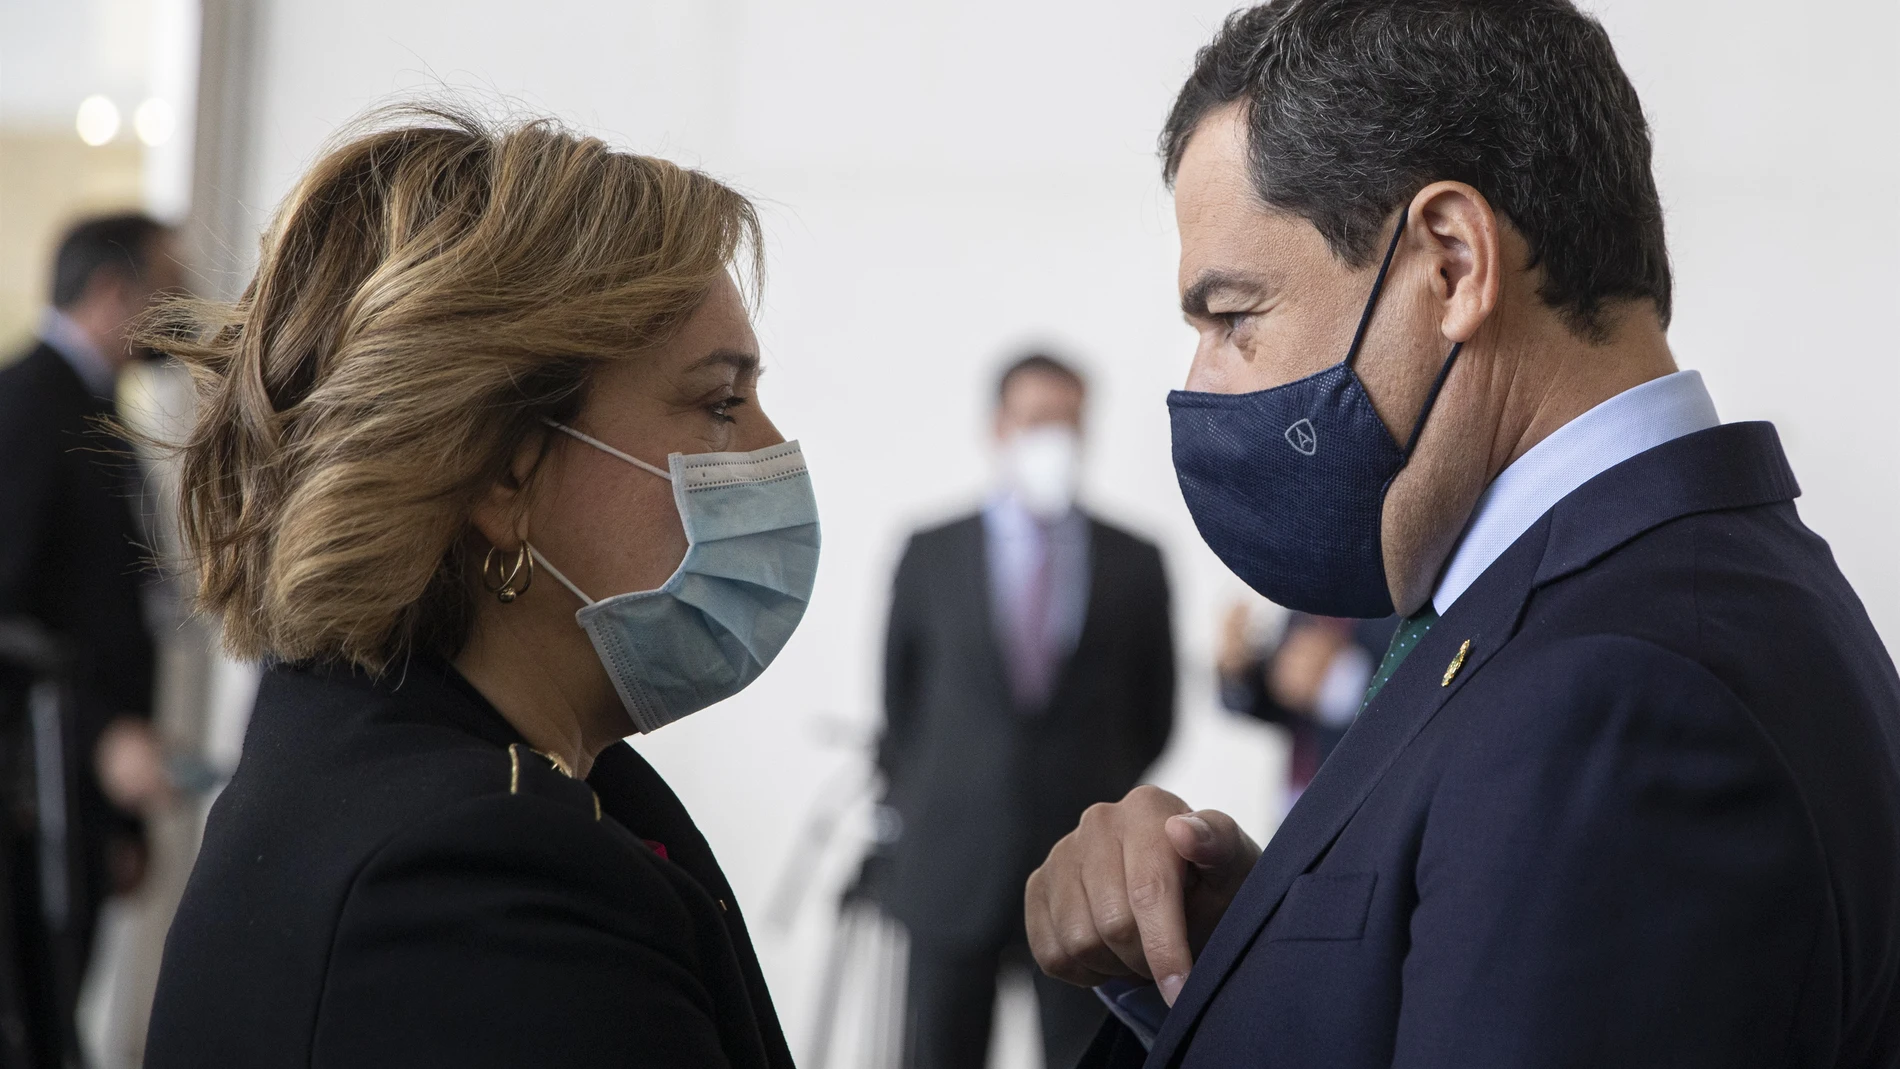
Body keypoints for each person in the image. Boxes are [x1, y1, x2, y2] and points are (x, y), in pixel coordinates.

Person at [1025, 2, 1900, 1066]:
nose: (1201, 382)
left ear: (1449, 263)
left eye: (1232, 315)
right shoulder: (1626, 604)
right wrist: (1257, 947)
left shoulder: (1614, 697)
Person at [142, 107, 815, 1068]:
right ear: (505, 473)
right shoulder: (476, 889)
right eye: (718, 402)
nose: (771, 453)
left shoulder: (448, 779)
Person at [878, 353, 1174, 1069]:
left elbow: (1155, 711)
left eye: (1069, 422)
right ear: (1000, 428)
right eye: (1039, 421)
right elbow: (901, 703)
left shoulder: (1135, 559)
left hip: (1083, 871)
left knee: (1089, 1057)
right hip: (953, 866)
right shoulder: (931, 551)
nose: (1056, 440)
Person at [0, 212, 181, 1066]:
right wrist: (102, 732)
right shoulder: (25, 406)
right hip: (28, 805)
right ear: (115, 295)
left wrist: (121, 821)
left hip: (77, 803)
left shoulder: (94, 411)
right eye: (170, 291)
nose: (185, 314)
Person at [1214, 605, 1395, 808]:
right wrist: (1234, 672)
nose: (1297, 663)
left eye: (1297, 651)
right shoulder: (1319, 772)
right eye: (1284, 667)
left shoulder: (1387, 625)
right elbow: (1242, 700)